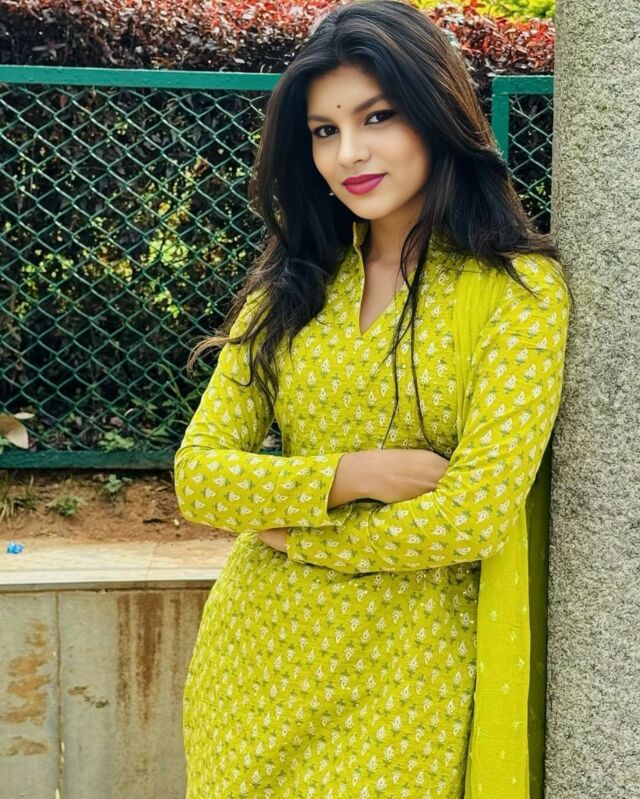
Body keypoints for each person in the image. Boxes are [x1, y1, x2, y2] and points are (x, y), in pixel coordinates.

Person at [173, 1, 571, 797]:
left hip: (405, 685)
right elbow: (199, 476)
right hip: (255, 665)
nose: (347, 152)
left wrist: (297, 537)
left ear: (435, 113)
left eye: (377, 116)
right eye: (324, 130)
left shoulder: (516, 294)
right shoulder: (292, 291)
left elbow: (471, 517)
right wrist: (353, 474)